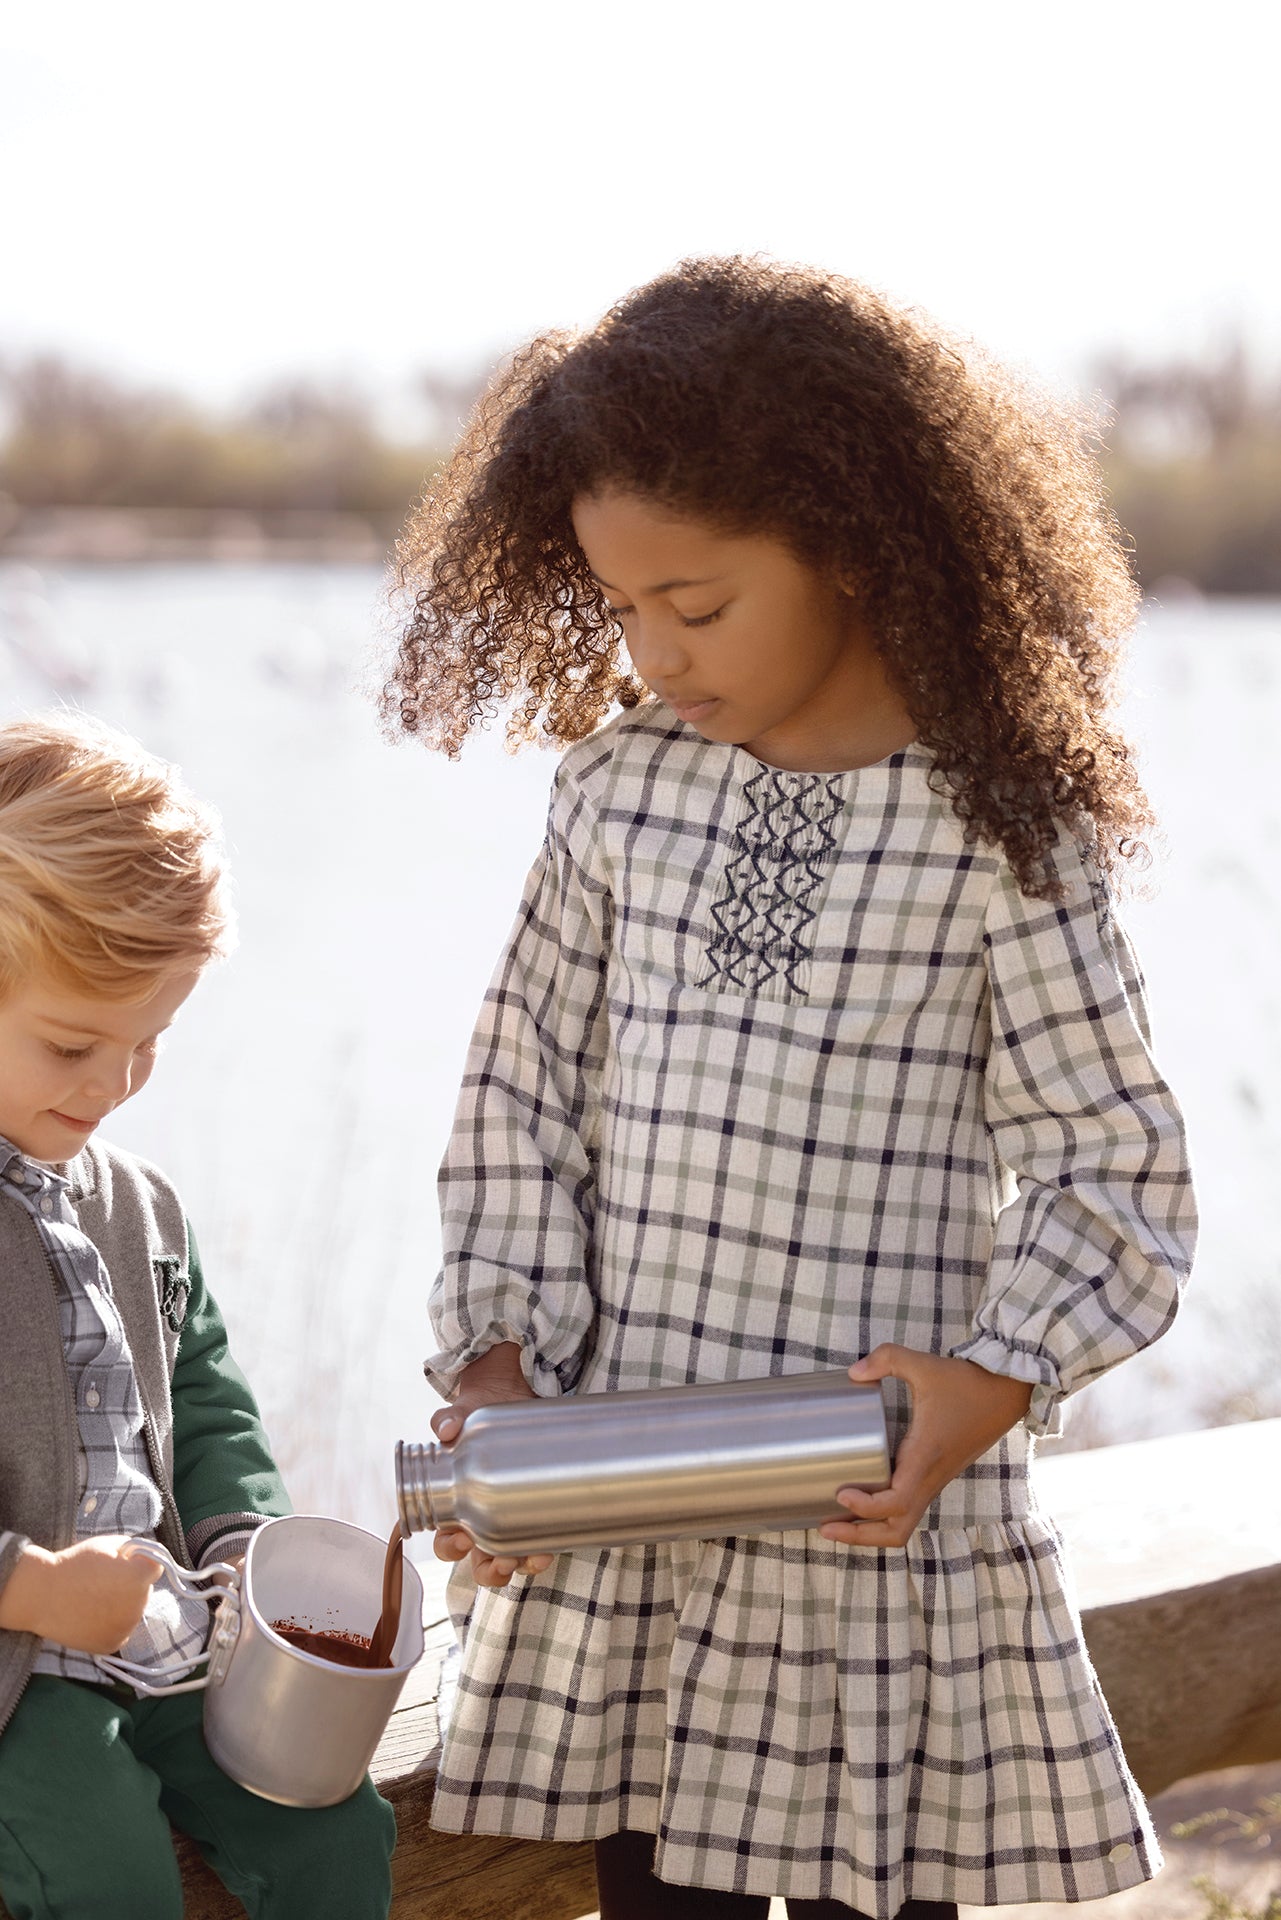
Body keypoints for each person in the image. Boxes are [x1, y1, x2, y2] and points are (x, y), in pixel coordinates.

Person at [383, 258, 1196, 1920]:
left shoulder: (998, 831)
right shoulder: (616, 800)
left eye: (695, 604)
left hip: (862, 1549)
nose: (653, 652)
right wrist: (497, 1366)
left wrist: (985, 1385)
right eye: (619, 608)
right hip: (629, 1538)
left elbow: (1114, 1175)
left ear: (846, 541)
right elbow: (518, 1111)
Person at [0, 714, 395, 1919]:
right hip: (18, 1671)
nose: (114, 1085)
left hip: (165, 1645)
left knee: (335, 1826)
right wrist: (31, 1587)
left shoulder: (137, 1201)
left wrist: (241, 1542)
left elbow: (206, 1392)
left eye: (150, 1043)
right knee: (101, 1864)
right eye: (74, 1044)